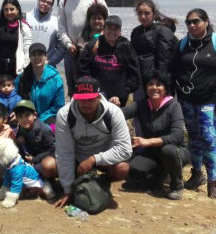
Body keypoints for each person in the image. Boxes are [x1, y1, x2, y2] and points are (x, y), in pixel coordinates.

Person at [172, 8, 216, 200]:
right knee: (193, 138)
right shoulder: (183, 44)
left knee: (208, 137)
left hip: (209, 101)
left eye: (195, 21)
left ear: (206, 22)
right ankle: (197, 173)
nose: (191, 25)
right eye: (188, 22)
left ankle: (213, 182)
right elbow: (174, 69)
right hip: (187, 100)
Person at [53, 76, 132, 209]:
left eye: (90, 99)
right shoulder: (65, 114)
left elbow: (125, 149)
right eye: (81, 100)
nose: (86, 104)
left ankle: (101, 182)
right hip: (77, 159)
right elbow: (64, 152)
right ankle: (67, 184)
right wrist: (68, 190)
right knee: (48, 166)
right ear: (75, 98)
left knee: (122, 168)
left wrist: (95, 159)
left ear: (99, 97)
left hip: (103, 160)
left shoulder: (114, 113)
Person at [121, 72, 190, 200]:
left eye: (159, 85)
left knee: (168, 150)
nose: (154, 87)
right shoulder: (142, 104)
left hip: (176, 152)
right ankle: (159, 176)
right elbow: (122, 113)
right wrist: (111, 106)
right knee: (134, 171)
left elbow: (178, 136)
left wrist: (149, 142)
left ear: (165, 89)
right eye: (150, 84)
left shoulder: (174, 106)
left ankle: (176, 186)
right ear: (146, 88)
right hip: (153, 153)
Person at [58, 0, 108, 96]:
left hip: (94, 50)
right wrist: (68, 45)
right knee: (74, 89)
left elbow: (107, 20)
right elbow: (61, 26)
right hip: (72, 51)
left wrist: (100, 39)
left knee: (96, 87)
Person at [78, 15, 141, 107]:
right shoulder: (94, 45)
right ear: (103, 29)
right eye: (109, 28)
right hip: (96, 96)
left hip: (118, 99)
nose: (112, 32)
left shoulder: (126, 46)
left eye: (115, 29)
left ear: (120, 31)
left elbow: (135, 74)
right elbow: (82, 69)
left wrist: (123, 93)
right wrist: (92, 91)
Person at [15, 43, 65, 130]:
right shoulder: (22, 78)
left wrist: (38, 120)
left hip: (49, 118)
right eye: (34, 54)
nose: (37, 57)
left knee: (51, 131)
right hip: (26, 118)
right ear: (30, 57)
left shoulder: (55, 78)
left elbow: (59, 106)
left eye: (40, 54)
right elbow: (15, 97)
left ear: (46, 57)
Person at [130, 0, 177, 87]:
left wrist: (159, 82)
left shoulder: (162, 31)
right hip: (140, 80)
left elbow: (164, 61)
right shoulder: (136, 32)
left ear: (154, 14)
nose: (143, 16)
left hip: (156, 82)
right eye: (140, 13)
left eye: (147, 13)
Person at [13, 100, 57, 179]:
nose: (24, 119)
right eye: (20, 116)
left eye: (27, 115)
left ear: (35, 115)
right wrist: (18, 141)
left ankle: (49, 181)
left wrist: (35, 159)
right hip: (31, 160)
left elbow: (53, 149)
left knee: (39, 169)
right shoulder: (21, 128)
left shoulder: (44, 129)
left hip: (45, 159)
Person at [0, 0, 32, 76]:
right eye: (6, 10)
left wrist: (25, 67)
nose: (9, 12)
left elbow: (27, 50)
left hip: (17, 71)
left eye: (12, 9)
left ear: (17, 10)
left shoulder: (24, 28)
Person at [25, 0, 64, 66]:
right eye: (43, 1)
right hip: (26, 64)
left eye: (49, 3)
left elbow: (62, 47)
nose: (45, 4)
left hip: (46, 65)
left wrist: (51, 61)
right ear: (38, 1)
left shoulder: (55, 22)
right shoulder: (26, 18)